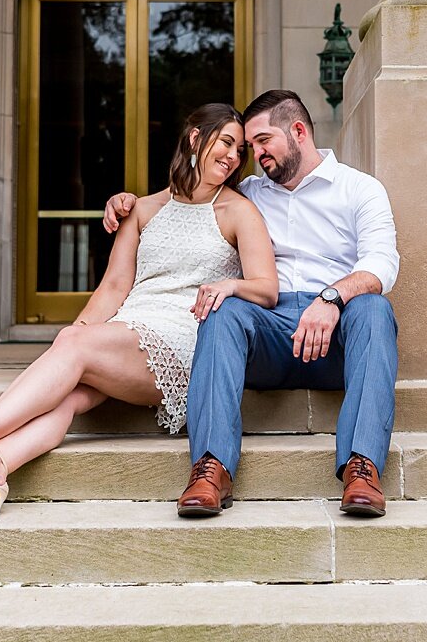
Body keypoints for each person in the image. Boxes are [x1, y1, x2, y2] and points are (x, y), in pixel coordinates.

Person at [0, 103, 277, 517]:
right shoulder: (144, 209)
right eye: (226, 143)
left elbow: (267, 289)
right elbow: (114, 286)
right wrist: (72, 339)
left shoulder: (238, 210)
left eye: (240, 150)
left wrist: (229, 285)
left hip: (186, 339)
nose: (234, 157)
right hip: (128, 329)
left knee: (74, 349)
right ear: (195, 139)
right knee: (70, 396)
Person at [103, 89, 399, 517]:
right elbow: (186, 196)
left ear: (298, 131)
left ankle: (362, 466)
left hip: (338, 332)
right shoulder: (249, 194)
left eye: (262, 142)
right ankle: (210, 469)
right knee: (223, 310)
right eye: (248, 146)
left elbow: (381, 264)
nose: (253, 154)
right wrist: (126, 201)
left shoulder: (360, 189)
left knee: (374, 308)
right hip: (271, 333)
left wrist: (332, 298)